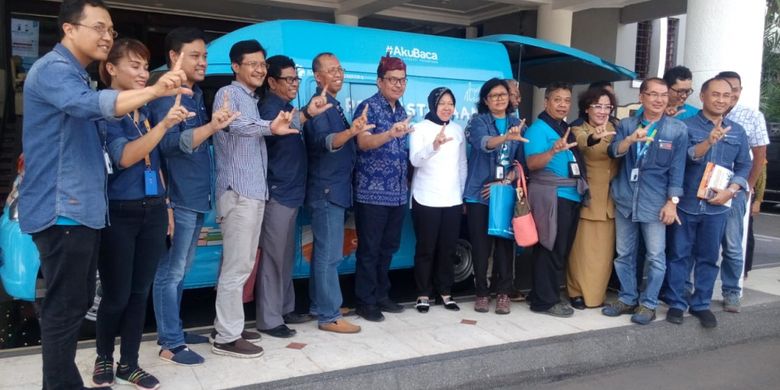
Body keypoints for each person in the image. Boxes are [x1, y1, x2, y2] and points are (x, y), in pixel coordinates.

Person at [19, 1, 189, 388]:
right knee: (67, 309)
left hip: (83, 211)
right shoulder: (55, 71)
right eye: (99, 28)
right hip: (64, 210)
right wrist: (155, 91)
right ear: (68, 29)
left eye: (110, 30)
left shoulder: (76, 77)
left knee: (76, 305)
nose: (107, 36)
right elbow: (91, 110)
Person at [90, 38, 198, 390]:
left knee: (140, 292)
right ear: (110, 68)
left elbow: (157, 162)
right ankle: (104, 357)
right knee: (117, 294)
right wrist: (165, 125)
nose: (142, 73)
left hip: (152, 209)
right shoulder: (108, 113)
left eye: (144, 66)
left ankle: (130, 364)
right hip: (118, 212)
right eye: (133, 66)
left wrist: (165, 204)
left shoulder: (146, 111)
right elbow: (126, 157)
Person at [150, 27, 235, 366]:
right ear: (174, 57)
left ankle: (175, 330)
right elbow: (168, 144)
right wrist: (212, 127)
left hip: (196, 195)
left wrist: (215, 126)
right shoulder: (164, 95)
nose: (202, 62)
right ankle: (169, 342)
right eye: (195, 56)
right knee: (169, 273)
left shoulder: (194, 94)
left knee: (181, 270)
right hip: (178, 197)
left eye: (205, 56)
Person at [210, 39, 300, 358]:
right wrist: (270, 126)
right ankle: (226, 337)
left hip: (252, 192)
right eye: (253, 64)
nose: (260, 69)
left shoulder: (249, 97)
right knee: (236, 266)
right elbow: (237, 126)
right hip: (239, 191)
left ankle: (229, 324)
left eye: (262, 64)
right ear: (236, 67)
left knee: (243, 264)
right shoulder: (229, 93)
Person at [664, 77, 751, 328]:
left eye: (726, 95)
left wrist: (732, 189)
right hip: (687, 202)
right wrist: (708, 141)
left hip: (717, 206)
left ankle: (701, 303)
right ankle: (677, 303)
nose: (721, 100)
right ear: (702, 96)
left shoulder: (738, 131)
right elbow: (684, 159)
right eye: (715, 94)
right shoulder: (685, 126)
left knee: (709, 257)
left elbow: (744, 164)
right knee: (679, 255)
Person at [602, 77, 687, 325]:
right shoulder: (627, 125)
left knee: (656, 256)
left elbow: (678, 170)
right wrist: (629, 140)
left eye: (663, 95)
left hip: (655, 202)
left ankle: (648, 304)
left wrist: (672, 202)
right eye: (653, 94)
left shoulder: (676, 129)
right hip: (626, 199)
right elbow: (613, 151)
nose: (659, 99)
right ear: (642, 97)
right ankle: (628, 298)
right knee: (624, 254)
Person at [255, 55, 329, 337]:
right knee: (274, 258)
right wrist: (308, 113)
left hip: (292, 192)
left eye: (296, 79)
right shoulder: (269, 109)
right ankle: (270, 319)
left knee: (285, 256)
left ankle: (285, 308)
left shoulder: (287, 107)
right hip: (277, 192)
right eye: (288, 79)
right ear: (272, 81)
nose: (294, 84)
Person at [304, 52, 368, 333]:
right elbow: (325, 142)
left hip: (334, 189)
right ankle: (329, 316)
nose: (338, 74)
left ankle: (321, 304)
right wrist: (352, 132)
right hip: (327, 189)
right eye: (331, 70)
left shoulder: (334, 104)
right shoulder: (319, 106)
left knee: (323, 252)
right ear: (318, 76)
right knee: (329, 255)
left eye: (340, 69)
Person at [352, 55, 414, 322]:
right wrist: (390, 134)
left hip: (398, 193)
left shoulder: (401, 110)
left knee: (388, 247)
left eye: (402, 80)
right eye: (393, 80)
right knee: (370, 249)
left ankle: (381, 295)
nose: (398, 85)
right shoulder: (368, 108)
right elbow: (363, 143)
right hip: (371, 193)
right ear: (379, 81)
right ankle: (365, 301)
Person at [464, 78, 527, 315]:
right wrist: (506, 138)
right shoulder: (478, 121)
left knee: (504, 246)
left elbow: (521, 162)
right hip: (478, 194)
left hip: (505, 193)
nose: (499, 99)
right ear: (485, 100)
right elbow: (483, 144)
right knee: (481, 247)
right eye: (494, 95)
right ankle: (481, 292)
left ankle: (503, 293)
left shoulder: (517, 123)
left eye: (503, 94)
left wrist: (503, 183)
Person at [525, 82, 585, 318]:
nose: (563, 105)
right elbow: (531, 164)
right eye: (557, 99)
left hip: (569, 194)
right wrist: (552, 152)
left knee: (559, 248)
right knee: (550, 247)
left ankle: (541, 293)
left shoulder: (563, 127)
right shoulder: (538, 129)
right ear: (546, 101)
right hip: (552, 195)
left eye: (567, 100)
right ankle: (545, 301)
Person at [409, 87, 467, 313]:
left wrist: (461, 194)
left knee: (448, 249)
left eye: (450, 104)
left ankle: (445, 292)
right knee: (426, 248)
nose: (446, 107)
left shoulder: (457, 129)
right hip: (426, 197)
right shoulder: (420, 128)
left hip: (452, 198)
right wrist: (434, 146)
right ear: (433, 104)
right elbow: (415, 160)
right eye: (442, 103)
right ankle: (423, 293)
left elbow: (462, 164)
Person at [716, 70, 770, 313]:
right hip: (703, 191)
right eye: (725, 90)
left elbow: (759, 156)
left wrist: (747, 186)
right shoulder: (705, 115)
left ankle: (731, 291)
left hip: (735, 191)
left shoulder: (750, 116)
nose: (730, 95)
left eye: (734, 90)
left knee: (733, 244)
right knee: (700, 243)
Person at [566, 87, 619, 309]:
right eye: (598, 106)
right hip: (588, 198)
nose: (603, 111)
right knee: (582, 252)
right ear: (587, 108)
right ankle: (575, 292)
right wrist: (594, 137)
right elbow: (581, 141)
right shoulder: (578, 128)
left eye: (607, 106)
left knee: (603, 254)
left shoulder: (618, 128)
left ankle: (597, 295)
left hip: (611, 200)